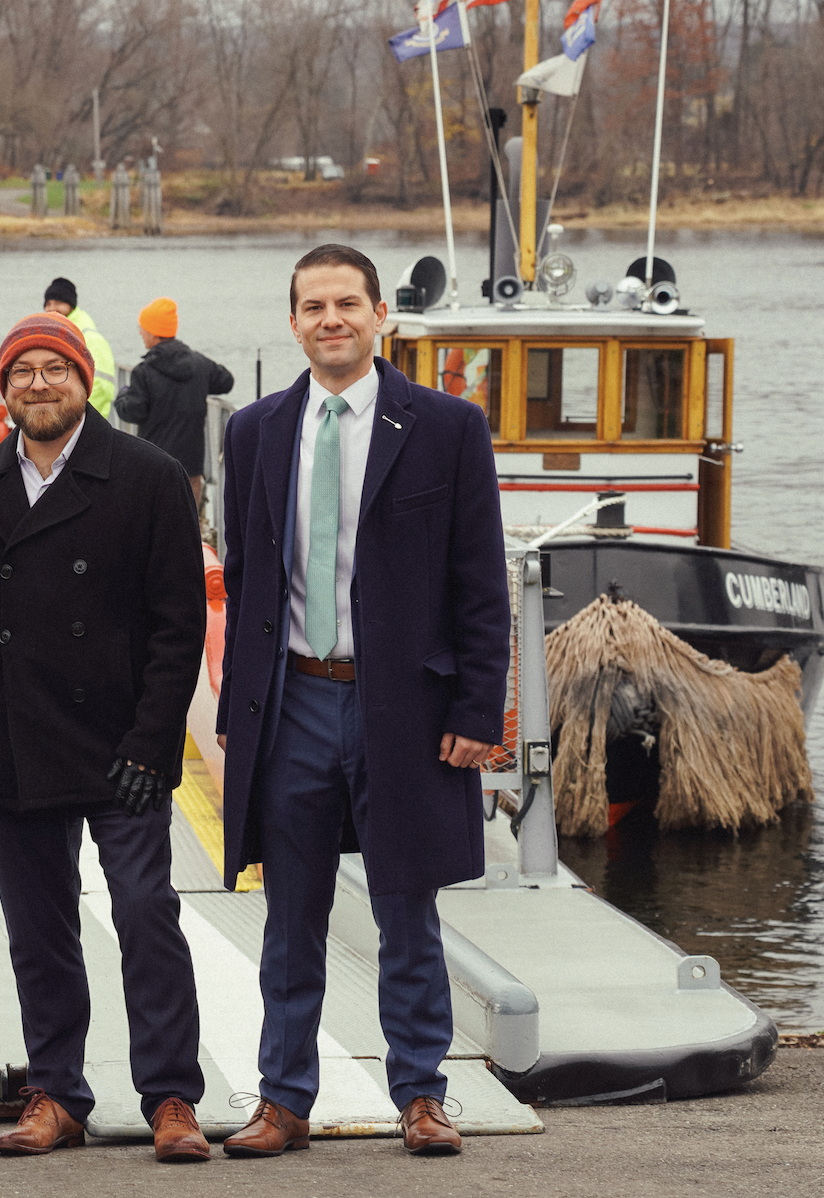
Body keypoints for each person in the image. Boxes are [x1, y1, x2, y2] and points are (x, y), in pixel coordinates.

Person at [214, 244, 510, 1159]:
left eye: (349, 303)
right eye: (314, 306)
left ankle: (421, 1094)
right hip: (294, 700)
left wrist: (474, 711)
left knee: (406, 908)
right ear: (294, 321)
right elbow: (249, 575)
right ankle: (284, 1099)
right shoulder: (255, 431)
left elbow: (479, 581)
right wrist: (237, 714)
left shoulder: (447, 428)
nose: (331, 319)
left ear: (381, 314)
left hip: (405, 711)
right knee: (289, 915)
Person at [0, 312, 210, 1164]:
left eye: (55, 369)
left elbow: (178, 626)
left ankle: (170, 1095)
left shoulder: (148, 476)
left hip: (120, 741)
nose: (39, 384)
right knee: (39, 925)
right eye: (22, 372)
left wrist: (150, 745)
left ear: (85, 380)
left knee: (144, 911)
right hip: (15, 740)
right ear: (6, 390)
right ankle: (57, 1092)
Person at [113, 297, 234, 508]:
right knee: (187, 523)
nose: (140, 333)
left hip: (154, 461)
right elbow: (225, 381)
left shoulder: (144, 372)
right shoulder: (198, 363)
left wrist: (123, 394)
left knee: (155, 521)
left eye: (142, 328)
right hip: (192, 465)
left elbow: (133, 411)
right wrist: (199, 384)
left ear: (153, 332)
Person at [42, 277, 117, 419]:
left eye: (58, 303)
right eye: (48, 304)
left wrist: (77, 419)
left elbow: (101, 388)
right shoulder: (56, 334)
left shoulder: (89, 338)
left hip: (81, 423)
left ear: (71, 305)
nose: (51, 309)